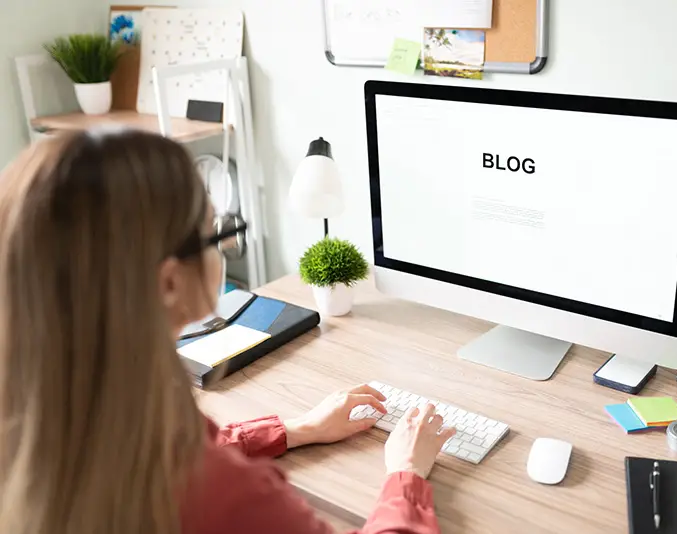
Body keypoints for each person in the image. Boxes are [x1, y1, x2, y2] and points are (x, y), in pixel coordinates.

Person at [0, 130, 456, 534]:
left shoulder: (46, 421)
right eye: (216, 233)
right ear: (169, 282)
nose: (223, 247)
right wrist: (406, 474)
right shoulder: (217, 494)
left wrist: (294, 430)